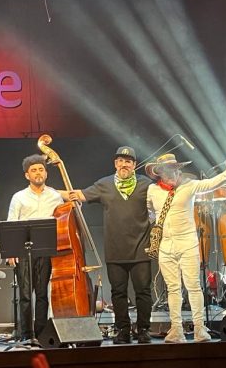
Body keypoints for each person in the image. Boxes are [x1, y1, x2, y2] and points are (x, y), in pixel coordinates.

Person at [145, 153, 226, 343]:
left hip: (188, 244)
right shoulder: (152, 190)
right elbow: (150, 211)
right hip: (166, 245)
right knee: (173, 289)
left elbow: (211, 183)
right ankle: (176, 330)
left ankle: (200, 329)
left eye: (175, 169)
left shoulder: (189, 186)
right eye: (168, 170)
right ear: (160, 173)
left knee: (193, 287)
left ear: (178, 170)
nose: (172, 173)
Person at [66, 146, 152, 344]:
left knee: (143, 292)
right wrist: (49, 191)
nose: (124, 164)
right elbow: (78, 195)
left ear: (134, 165)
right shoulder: (104, 184)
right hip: (115, 249)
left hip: (141, 248)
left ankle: (143, 330)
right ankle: (123, 330)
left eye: (128, 161)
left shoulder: (145, 184)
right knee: (118, 293)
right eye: (120, 161)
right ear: (115, 163)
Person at [7, 154, 63, 341]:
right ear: (27, 175)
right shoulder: (19, 197)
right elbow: (12, 223)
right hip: (23, 251)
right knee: (24, 295)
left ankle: (40, 333)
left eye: (41, 169)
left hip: (46, 250)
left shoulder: (55, 195)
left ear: (46, 173)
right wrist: (11, 251)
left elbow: (63, 221)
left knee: (42, 294)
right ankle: (25, 335)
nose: (38, 173)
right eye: (33, 170)